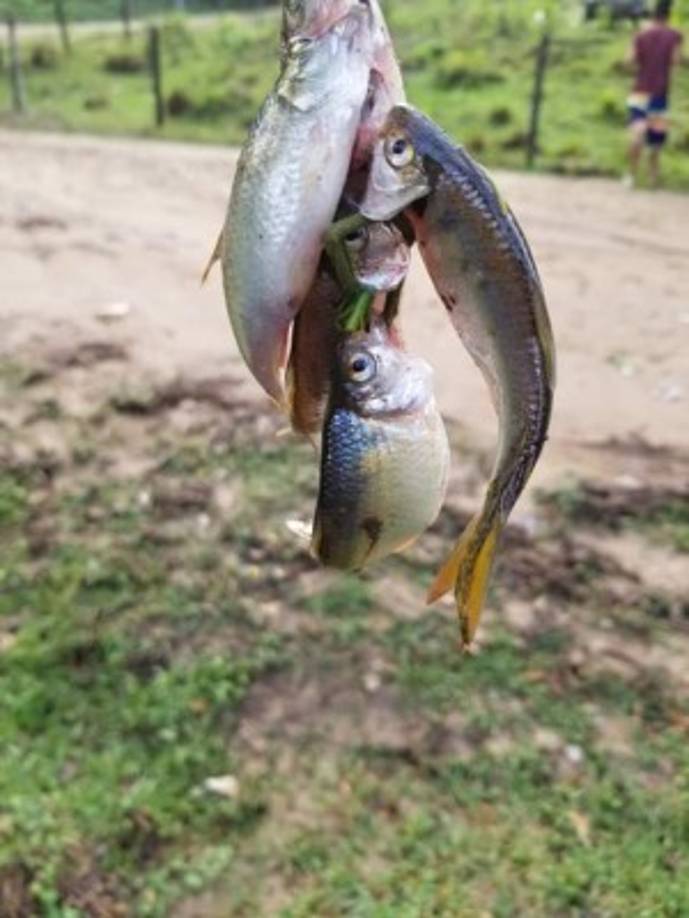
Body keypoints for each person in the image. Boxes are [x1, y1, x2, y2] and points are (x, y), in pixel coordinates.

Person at [626, 0, 683, 187]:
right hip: (660, 93)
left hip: (639, 91)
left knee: (637, 131)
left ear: (652, 14)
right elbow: (676, 61)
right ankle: (652, 178)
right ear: (669, 14)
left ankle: (631, 176)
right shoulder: (675, 35)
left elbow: (629, 61)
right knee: (655, 140)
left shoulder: (641, 35)